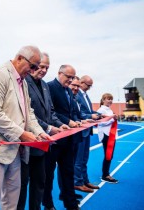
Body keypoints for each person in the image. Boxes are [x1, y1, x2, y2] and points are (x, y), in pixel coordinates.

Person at [0, 45, 52, 210]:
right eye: (32, 66)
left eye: (36, 68)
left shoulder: (22, 81)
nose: (33, 71)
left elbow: (28, 113)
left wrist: (39, 132)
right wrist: (22, 134)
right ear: (19, 58)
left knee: (12, 201)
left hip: (15, 151)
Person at [18, 52, 69, 210]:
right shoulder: (22, 82)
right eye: (41, 66)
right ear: (33, 64)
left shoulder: (45, 85)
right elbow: (27, 114)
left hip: (43, 145)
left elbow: (51, 112)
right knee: (21, 186)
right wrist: (48, 128)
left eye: (47, 67)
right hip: (27, 143)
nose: (44, 70)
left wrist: (60, 125)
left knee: (39, 183)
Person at [44, 65, 81, 210]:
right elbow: (50, 112)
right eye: (68, 77)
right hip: (55, 139)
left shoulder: (68, 91)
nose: (71, 80)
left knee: (68, 172)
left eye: (73, 77)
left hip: (68, 139)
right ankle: (48, 204)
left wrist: (76, 121)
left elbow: (70, 111)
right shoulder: (49, 87)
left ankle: (70, 204)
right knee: (49, 175)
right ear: (60, 73)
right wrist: (68, 121)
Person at [74, 75, 101, 192]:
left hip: (87, 131)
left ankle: (85, 180)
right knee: (78, 160)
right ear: (81, 82)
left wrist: (99, 114)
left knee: (85, 159)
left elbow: (88, 111)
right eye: (88, 85)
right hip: (80, 131)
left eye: (91, 86)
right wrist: (91, 116)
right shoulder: (76, 94)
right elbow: (79, 113)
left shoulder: (85, 95)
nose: (89, 88)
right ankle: (77, 182)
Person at [97, 93, 119, 184]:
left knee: (109, 155)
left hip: (111, 134)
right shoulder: (101, 110)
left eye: (111, 99)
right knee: (108, 155)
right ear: (103, 100)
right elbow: (101, 122)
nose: (110, 101)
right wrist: (112, 119)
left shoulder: (109, 110)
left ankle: (106, 173)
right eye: (108, 99)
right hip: (106, 135)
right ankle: (105, 175)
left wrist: (113, 118)